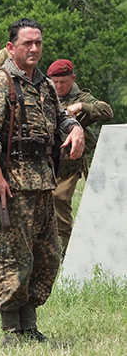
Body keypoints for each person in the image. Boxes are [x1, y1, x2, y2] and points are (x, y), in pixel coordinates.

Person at [0, 19, 84, 343]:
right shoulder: (0, 82)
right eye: (27, 43)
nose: (35, 49)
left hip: (42, 181)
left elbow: (61, 118)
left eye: (38, 43)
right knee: (15, 256)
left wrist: (75, 128)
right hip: (12, 184)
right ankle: (11, 328)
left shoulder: (44, 85)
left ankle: (29, 324)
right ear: (11, 48)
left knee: (48, 255)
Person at [46, 59, 112, 257]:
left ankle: (60, 254)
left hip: (69, 163)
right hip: (45, 161)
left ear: (72, 78)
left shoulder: (82, 97)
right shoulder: (45, 94)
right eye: (54, 82)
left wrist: (80, 106)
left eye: (63, 82)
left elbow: (106, 111)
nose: (58, 86)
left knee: (59, 201)